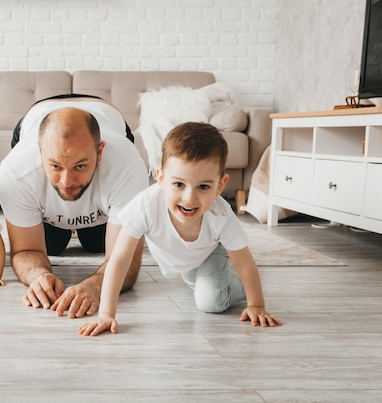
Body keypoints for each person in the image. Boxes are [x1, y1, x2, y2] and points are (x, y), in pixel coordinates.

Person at [78, 122, 282, 336]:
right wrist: (106, 314)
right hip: (188, 263)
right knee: (196, 282)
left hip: (214, 253)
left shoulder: (220, 215)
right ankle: (207, 277)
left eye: (203, 187)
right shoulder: (146, 205)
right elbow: (119, 260)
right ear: (161, 178)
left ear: (220, 186)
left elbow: (244, 261)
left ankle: (235, 282)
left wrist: (256, 304)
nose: (189, 198)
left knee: (210, 301)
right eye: (179, 185)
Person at [0, 95, 149, 318]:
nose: (67, 182)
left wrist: (96, 285)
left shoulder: (128, 166)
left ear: (99, 153)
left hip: (106, 114)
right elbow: (25, 251)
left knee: (97, 243)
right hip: (37, 114)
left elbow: (127, 261)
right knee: (52, 245)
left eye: (80, 165)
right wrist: (38, 276)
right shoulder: (16, 171)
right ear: (40, 152)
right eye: (56, 166)